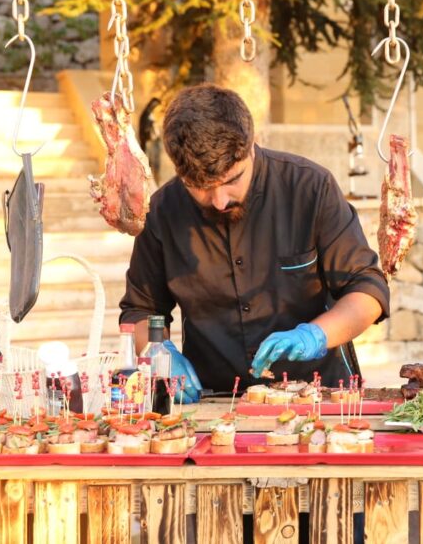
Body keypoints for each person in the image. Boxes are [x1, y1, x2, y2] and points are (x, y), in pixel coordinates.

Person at [118, 84, 390, 401]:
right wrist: (159, 356)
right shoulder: (162, 211)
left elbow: (368, 290)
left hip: (322, 396)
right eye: (200, 187)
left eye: (232, 180)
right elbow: (140, 311)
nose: (219, 201)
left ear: (252, 145)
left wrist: (314, 335)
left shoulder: (309, 187)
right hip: (218, 399)